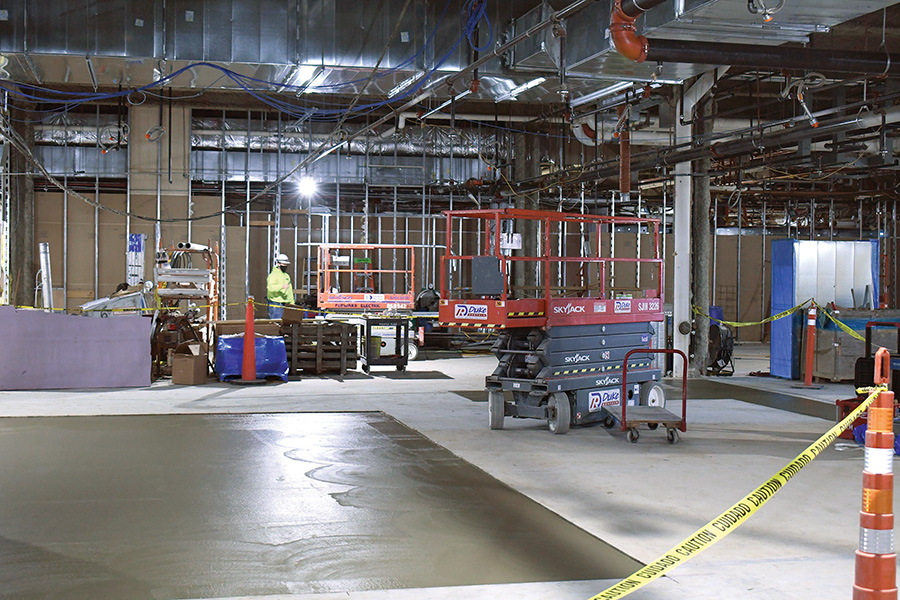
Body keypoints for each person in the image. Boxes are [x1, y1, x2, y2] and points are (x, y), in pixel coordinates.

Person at [266, 253, 294, 319]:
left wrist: (292, 303)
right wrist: (281, 287)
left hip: (286, 305)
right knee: (277, 325)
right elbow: (270, 288)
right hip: (276, 305)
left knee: (285, 326)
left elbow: (289, 291)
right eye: (284, 264)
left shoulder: (286, 276)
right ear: (278, 264)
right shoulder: (273, 275)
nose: (285, 266)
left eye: (286, 264)